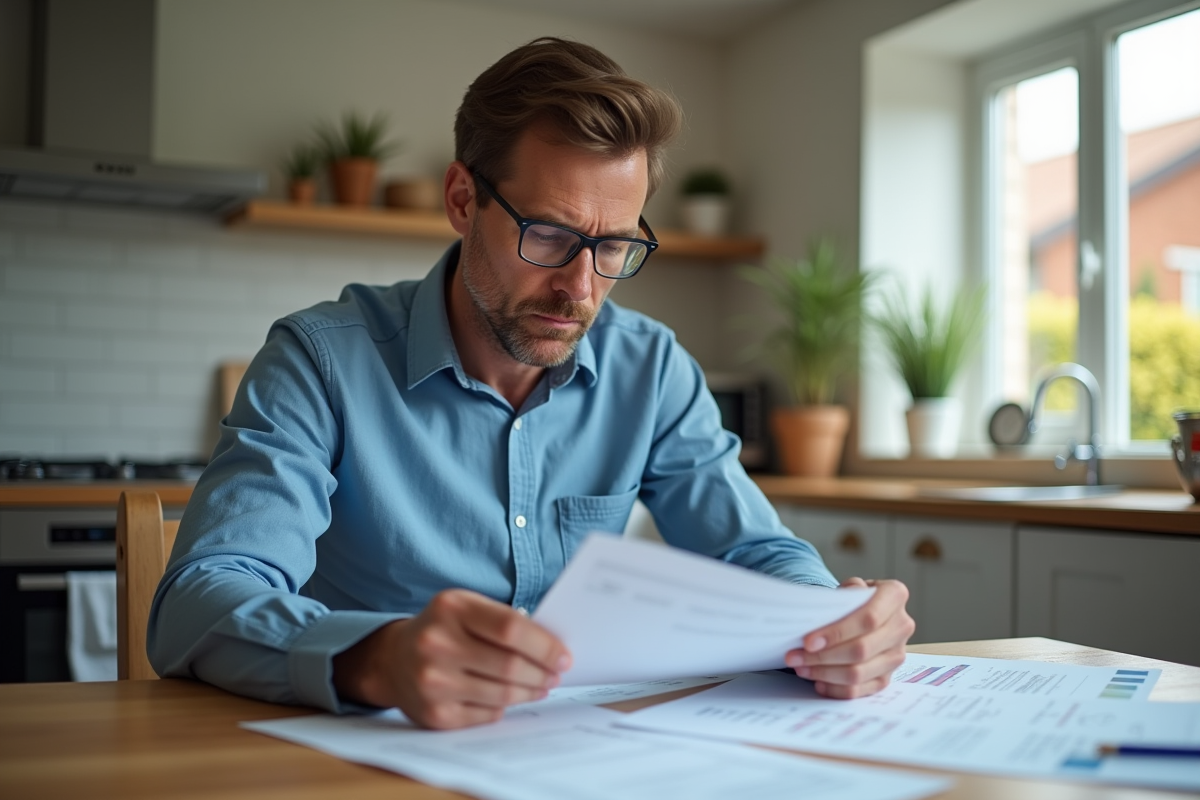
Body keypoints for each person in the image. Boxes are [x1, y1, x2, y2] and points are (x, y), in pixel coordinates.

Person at [149, 37, 914, 730]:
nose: (580, 287)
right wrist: (377, 658)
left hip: (580, 754)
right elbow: (199, 598)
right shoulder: (320, 361)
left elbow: (754, 550)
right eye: (548, 234)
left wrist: (834, 622)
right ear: (462, 200)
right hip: (371, 753)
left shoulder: (650, 369)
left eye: (613, 246)